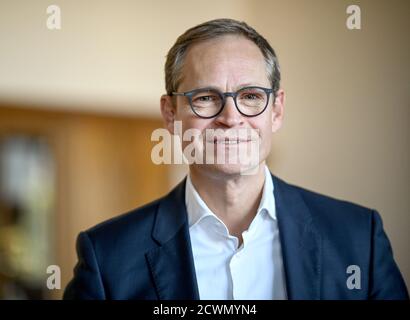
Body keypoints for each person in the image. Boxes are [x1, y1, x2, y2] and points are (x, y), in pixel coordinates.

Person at [64, 18, 408, 300]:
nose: (231, 117)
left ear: (276, 110)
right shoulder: (107, 257)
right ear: (171, 114)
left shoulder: (359, 238)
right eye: (206, 98)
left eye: (251, 95)